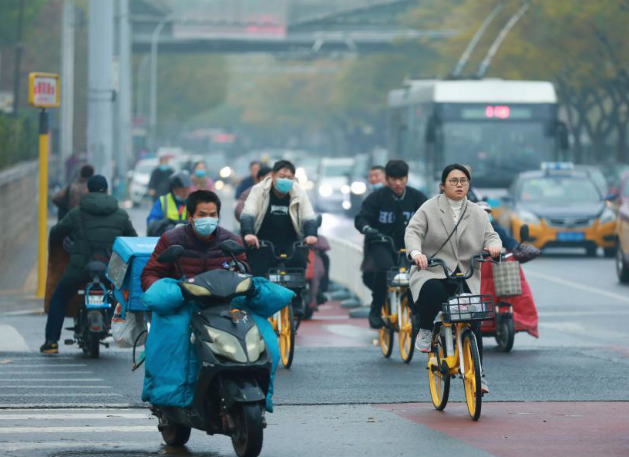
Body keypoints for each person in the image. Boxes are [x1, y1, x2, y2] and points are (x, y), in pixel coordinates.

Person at [405, 163, 501, 393]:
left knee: (474, 320)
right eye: (453, 181)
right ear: (443, 185)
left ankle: (479, 375)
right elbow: (413, 231)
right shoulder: (429, 208)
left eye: (463, 181)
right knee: (433, 293)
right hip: (433, 270)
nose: (459, 185)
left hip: (465, 274)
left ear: (468, 184)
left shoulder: (477, 212)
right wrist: (416, 253)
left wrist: (494, 246)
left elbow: (492, 235)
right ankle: (426, 329)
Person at [41, 175, 138, 353]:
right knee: (117, 295)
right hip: (111, 269)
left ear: (87, 191)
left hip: (80, 268)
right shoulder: (121, 215)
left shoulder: (76, 213)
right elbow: (133, 240)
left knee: (60, 296)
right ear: (107, 191)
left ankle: (51, 342)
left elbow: (56, 232)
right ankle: (112, 321)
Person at [354, 160, 428, 329]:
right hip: (382, 242)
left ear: (407, 178)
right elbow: (361, 218)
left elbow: (431, 217)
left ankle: (418, 311)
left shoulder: (417, 197)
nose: (398, 183)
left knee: (419, 271)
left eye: (401, 179)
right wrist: (368, 229)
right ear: (387, 179)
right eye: (394, 179)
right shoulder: (376, 198)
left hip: (411, 244)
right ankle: (376, 309)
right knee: (385, 268)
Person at [240, 160, 318, 315]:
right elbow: (247, 213)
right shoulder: (259, 190)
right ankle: (258, 306)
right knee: (258, 276)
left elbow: (308, 215)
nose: (286, 180)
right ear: (273, 175)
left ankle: (296, 300)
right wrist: (248, 233)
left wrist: (311, 234)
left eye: (290, 177)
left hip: (290, 240)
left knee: (298, 263)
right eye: (282, 176)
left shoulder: (298, 191)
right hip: (262, 240)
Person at [142, 190, 247, 290]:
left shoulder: (231, 241)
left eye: (212, 215)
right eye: (202, 215)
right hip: (182, 298)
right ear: (189, 216)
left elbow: (245, 269)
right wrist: (165, 291)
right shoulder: (171, 240)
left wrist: (240, 268)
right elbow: (151, 274)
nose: (207, 219)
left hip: (222, 297)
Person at [146, 172, 193, 236]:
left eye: (187, 189)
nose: (186, 193)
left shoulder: (194, 201)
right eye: (183, 190)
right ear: (174, 190)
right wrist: (167, 226)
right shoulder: (162, 202)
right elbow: (152, 224)